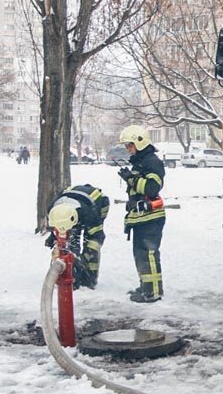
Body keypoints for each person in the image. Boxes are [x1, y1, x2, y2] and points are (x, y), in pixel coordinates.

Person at [117, 125, 166, 303]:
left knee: (149, 253)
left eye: (129, 145)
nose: (127, 149)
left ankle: (152, 292)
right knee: (140, 254)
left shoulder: (152, 162)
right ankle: (146, 286)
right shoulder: (140, 162)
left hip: (151, 217)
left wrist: (131, 179)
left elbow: (152, 188)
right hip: (141, 217)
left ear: (139, 142)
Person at [45, 184, 111, 289]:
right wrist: (53, 236)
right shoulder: (52, 211)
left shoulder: (90, 215)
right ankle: (73, 272)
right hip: (71, 206)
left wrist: (86, 257)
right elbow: (57, 227)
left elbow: (97, 235)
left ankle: (90, 278)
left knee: (91, 245)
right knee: (70, 243)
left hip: (98, 203)